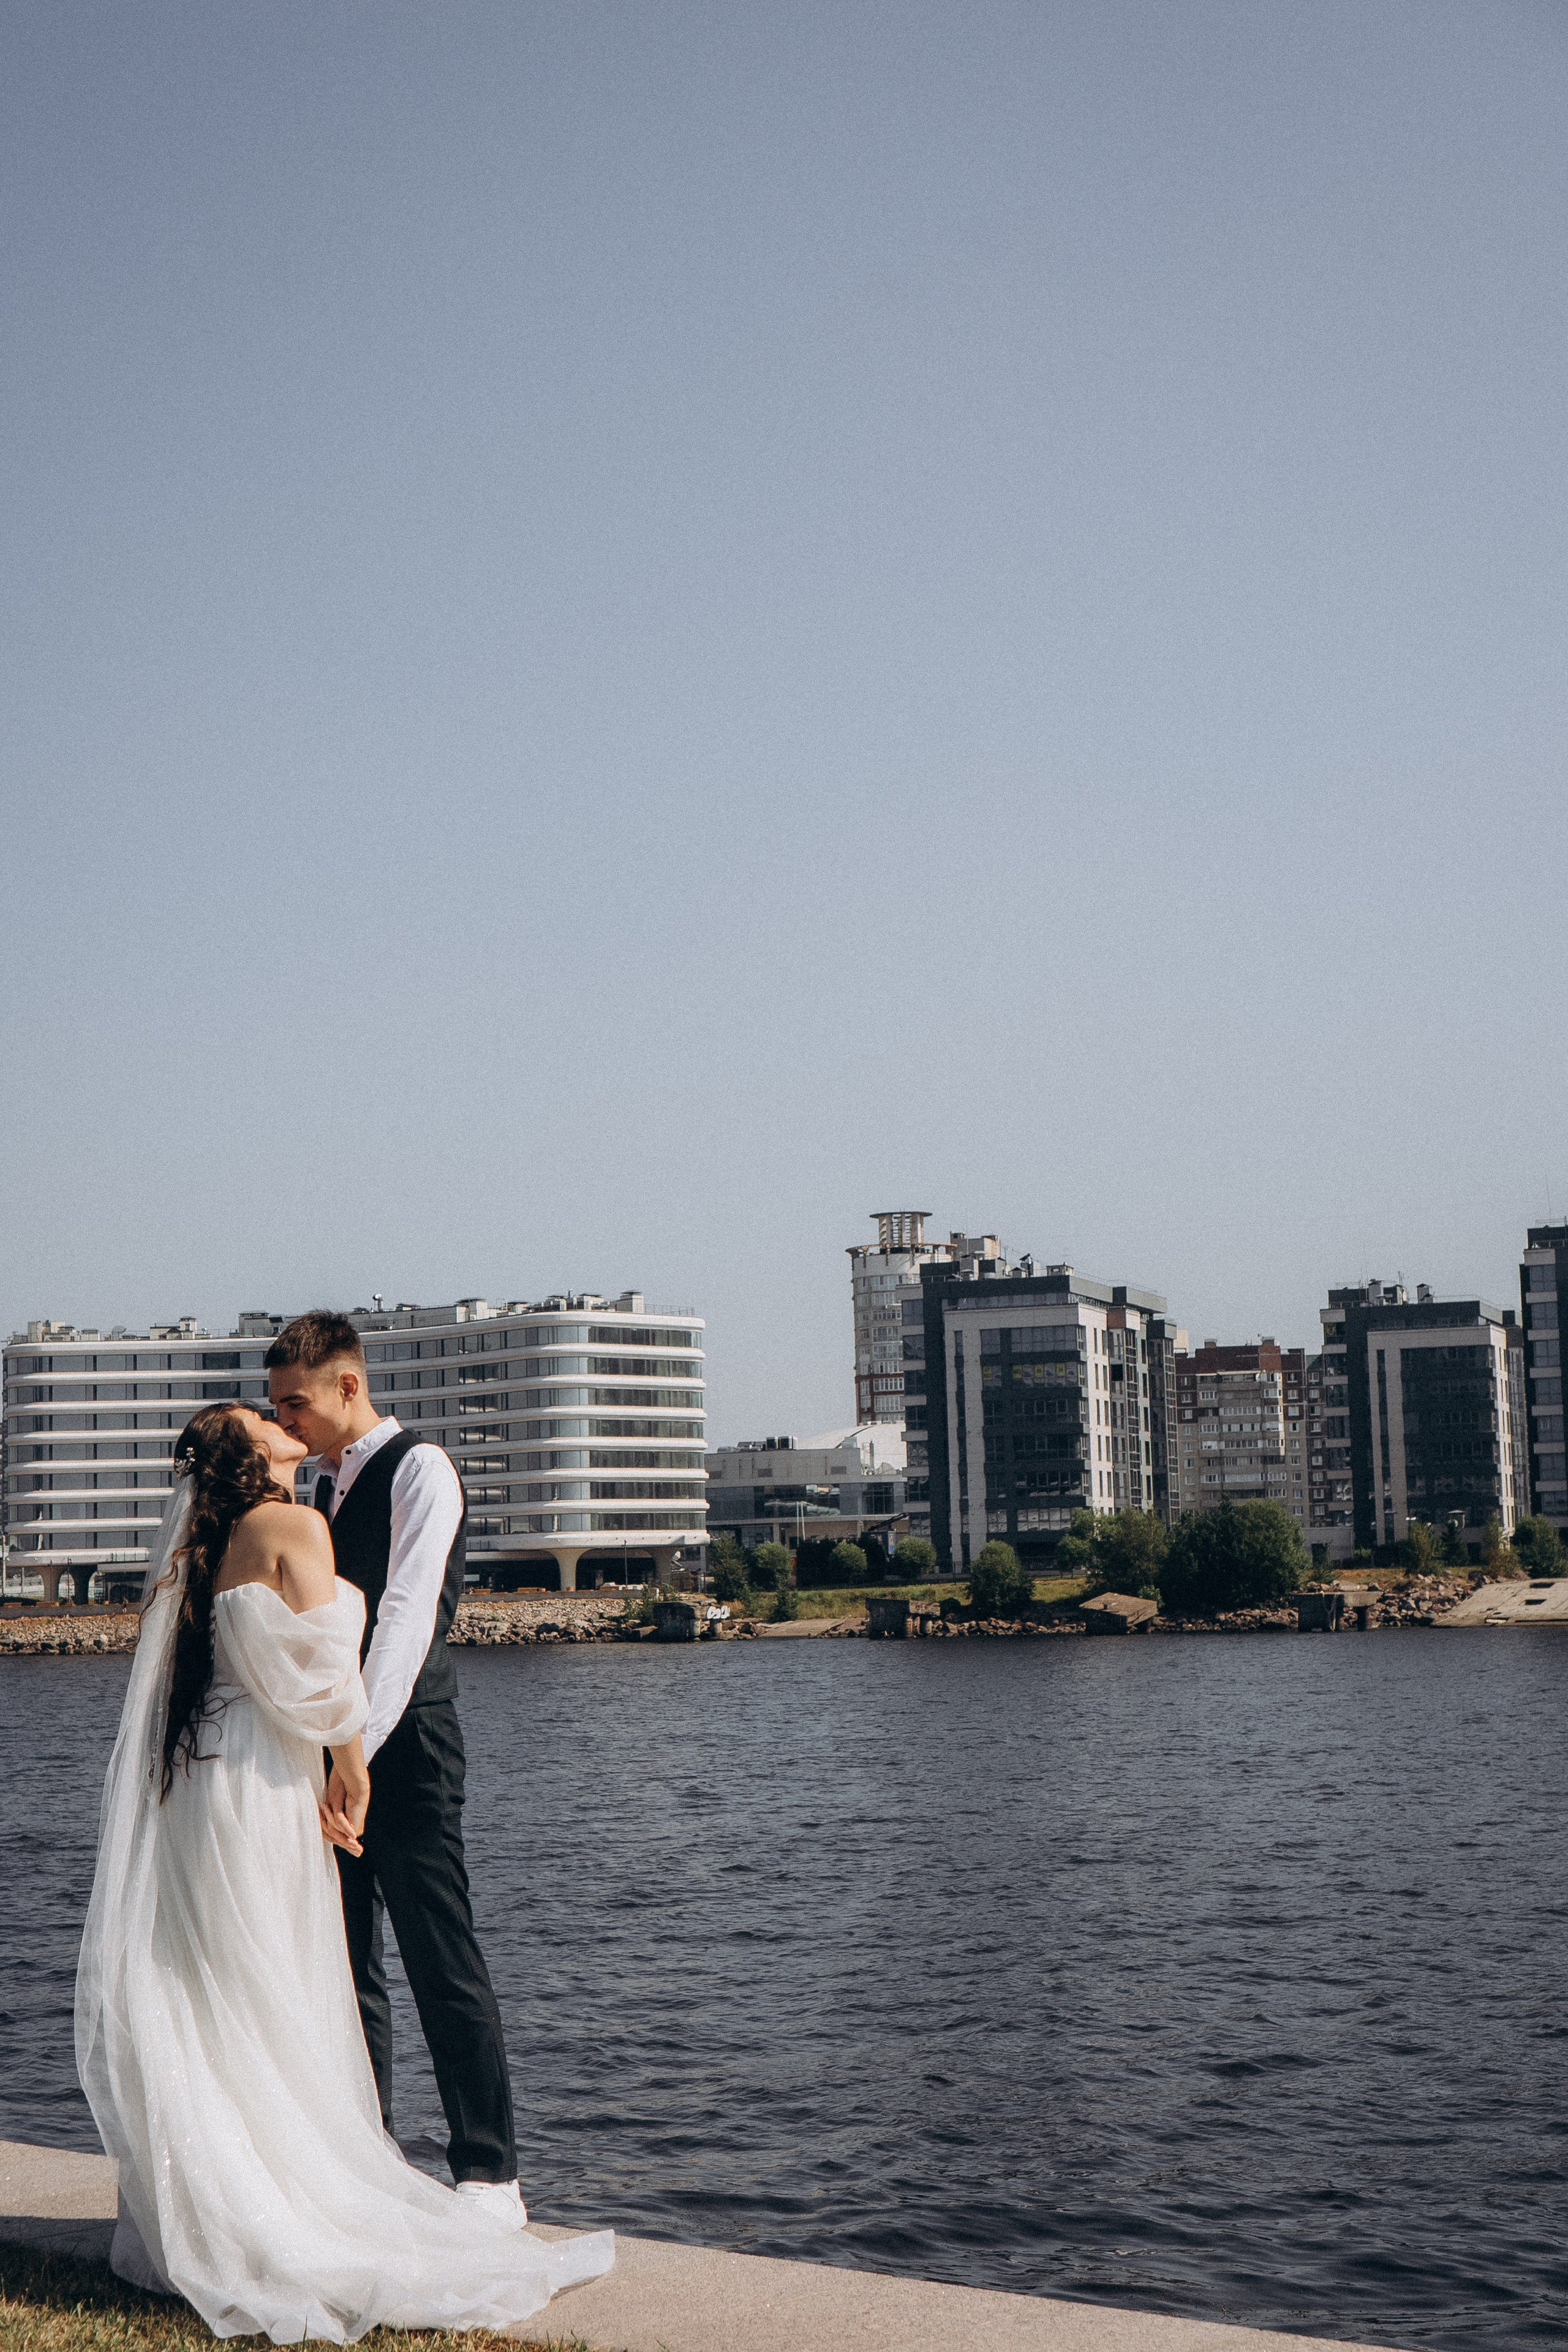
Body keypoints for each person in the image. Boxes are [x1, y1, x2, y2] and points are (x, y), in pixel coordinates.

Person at [75, 1401, 612, 2339]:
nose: (284, 1422)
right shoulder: (296, 1522)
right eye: (266, 1419)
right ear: (252, 1455)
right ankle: (297, 2200)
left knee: (214, 1984)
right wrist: (351, 1774)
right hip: (264, 1780)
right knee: (280, 1977)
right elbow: (331, 1682)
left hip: (198, 1786)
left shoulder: (201, 1546)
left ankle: (206, 2201)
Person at [262, 1310, 521, 2213]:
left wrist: (355, 1755)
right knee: (345, 1969)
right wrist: (325, 1755)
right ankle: (366, 2163)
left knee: (440, 1958)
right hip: (330, 1758)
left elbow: (409, 1622)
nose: (286, 1421)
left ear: (348, 1384)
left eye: (295, 1402)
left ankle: (489, 2174)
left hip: (406, 1754)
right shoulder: (313, 1493)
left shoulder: (423, 1469)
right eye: (276, 1407)